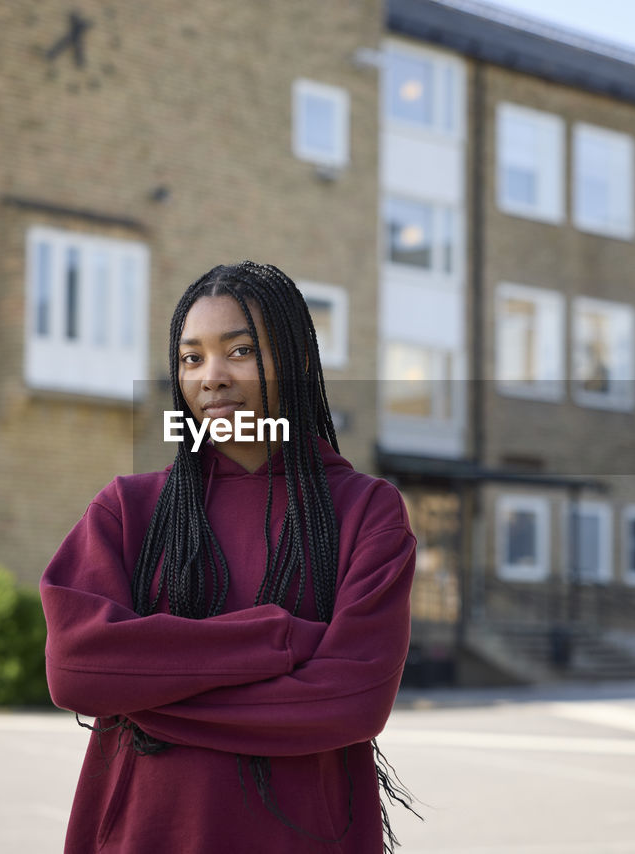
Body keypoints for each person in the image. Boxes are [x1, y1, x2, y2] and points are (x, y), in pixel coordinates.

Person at [40, 261, 419, 853]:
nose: (211, 376)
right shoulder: (129, 508)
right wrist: (281, 640)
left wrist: (141, 699)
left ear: (292, 363)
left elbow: (351, 703)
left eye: (239, 351)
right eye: (192, 358)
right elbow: (76, 669)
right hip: (145, 837)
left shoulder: (365, 510)